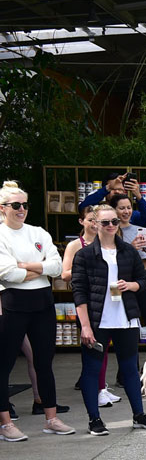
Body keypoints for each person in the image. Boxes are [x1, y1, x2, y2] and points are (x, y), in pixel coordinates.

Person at [71, 203, 146, 435]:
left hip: (126, 319)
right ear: (95, 224)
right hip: (96, 321)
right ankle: (94, 419)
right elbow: (79, 292)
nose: (111, 226)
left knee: (130, 369)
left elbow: (143, 280)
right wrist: (85, 327)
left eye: (114, 221)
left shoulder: (128, 251)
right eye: (105, 222)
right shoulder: (84, 255)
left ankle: (139, 415)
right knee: (91, 370)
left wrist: (130, 285)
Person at [0, 181, 74, 440]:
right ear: (2, 208)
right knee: (5, 363)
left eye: (25, 205)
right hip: (14, 303)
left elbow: (56, 266)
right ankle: (6, 423)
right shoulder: (1, 235)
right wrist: (39, 269)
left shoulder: (38, 232)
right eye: (16, 205)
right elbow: (7, 273)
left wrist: (27, 267)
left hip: (42, 302)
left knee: (44, 362)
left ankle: (51, 418)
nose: (22, 209)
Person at [62, 205, 120, 409]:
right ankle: (94, 392)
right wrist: (86, 268)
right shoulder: (75, 246)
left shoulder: (107, 242)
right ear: (83, 222)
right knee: (93, 348)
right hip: (87, 302)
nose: (95, 224)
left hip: (110, 300)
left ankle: (102, 388)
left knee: (106, 347)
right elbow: (64, 274)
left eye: (97, 221)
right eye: (90, 220)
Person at [110, 192, 146, 362]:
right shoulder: (111, 232)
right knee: (128, 331)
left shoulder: (142, 230)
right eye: (122, 208)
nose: (126, 211)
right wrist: (131, 247)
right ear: (114, 210)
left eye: (129, 207)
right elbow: (111, 259)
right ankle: (128, 374)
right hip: (123, 281)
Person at [80, 172, 146, 227]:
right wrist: (108, 187)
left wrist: (138, 196)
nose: (117, 192)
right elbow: (83, 208)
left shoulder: (130, 214)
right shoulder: (99, 212)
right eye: (113, 189)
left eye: (120, 189)